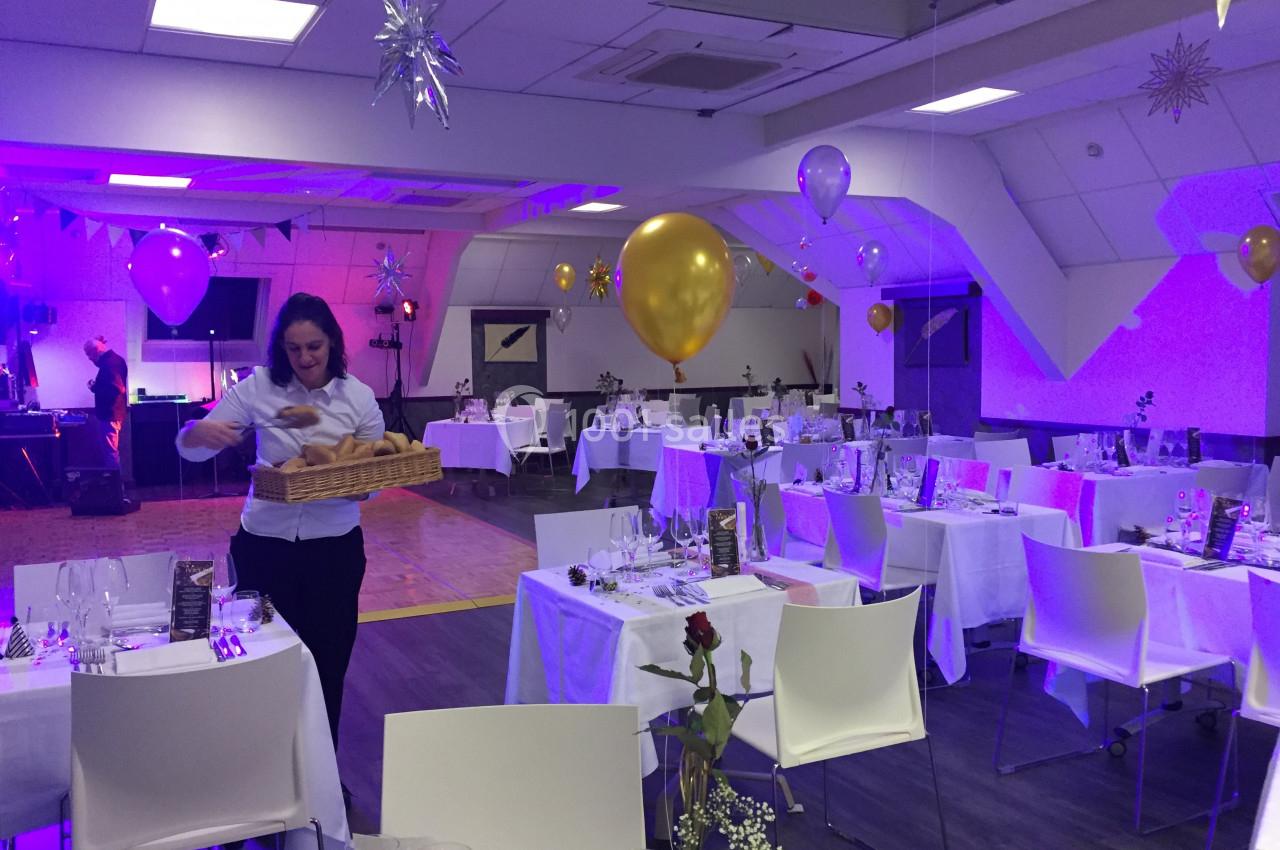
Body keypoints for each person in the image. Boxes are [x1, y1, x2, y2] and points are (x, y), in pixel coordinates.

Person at [175, 293, 385, 755]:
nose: (305, 358)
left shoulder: (360, 398)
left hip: (334, 552)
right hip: (263, 549)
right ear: (281, 349)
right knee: (262, 663)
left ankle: (322, 777)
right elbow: (192, 447)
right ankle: (265, 771)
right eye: (294, 348)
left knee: (327, 665)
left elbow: (371, 485)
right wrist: (195, 432)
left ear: (332, 342)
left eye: (314, 346)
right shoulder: (257, 388)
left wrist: (348, 482)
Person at [83, 336, 128, 467]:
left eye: (89, 354)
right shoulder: (116, 360)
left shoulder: (109, 364)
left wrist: (94, 387)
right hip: (115, 412)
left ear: (96, 351)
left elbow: (118, 388)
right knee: (111, 451)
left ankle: (115, 485)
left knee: (110, 452)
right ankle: (116, 484)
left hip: (110, 414)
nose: (89, 358)